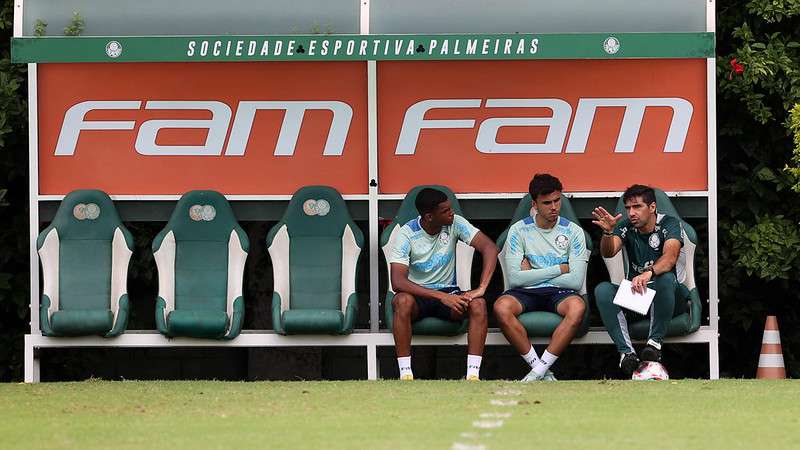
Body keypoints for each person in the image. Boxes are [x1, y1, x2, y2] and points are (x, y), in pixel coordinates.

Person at [388, 188, 498, 380]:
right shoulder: (407, 233)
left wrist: (481, 288)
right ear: (429, 216)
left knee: (478, 304)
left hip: (449, 293)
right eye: (445, 211)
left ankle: (473, 375)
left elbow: (489, 248)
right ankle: (405, 374)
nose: (452, 213)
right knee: (402, 302)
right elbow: (397, 282)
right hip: (418, 297)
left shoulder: (455, 223)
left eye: (451, 208)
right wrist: (442, 297)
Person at [493, 174, 588, 382]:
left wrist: (530, 274)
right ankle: (539, 368)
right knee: (501, 307)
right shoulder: (518, 231)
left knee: (577, 307)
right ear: (534, 204)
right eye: (547, 203)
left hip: (561, 292)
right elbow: (516, 280)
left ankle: (538, 370)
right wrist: (561, 268)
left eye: (557, 200)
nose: (554, 207)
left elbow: (575, 282)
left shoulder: (574, 232)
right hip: (525, 292)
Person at [592, 184, 683, 377]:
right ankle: (627, 354)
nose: (631, 213)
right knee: (603, 290)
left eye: (637, 207)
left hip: (668, 297)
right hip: (639, 297)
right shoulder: (626, 226)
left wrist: (649, 272)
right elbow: (608, 251)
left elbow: (670, 257)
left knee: (665, 278)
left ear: (652, 207)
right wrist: (608, 233)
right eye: (628, 208)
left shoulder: (669, 223)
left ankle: (654, 344)